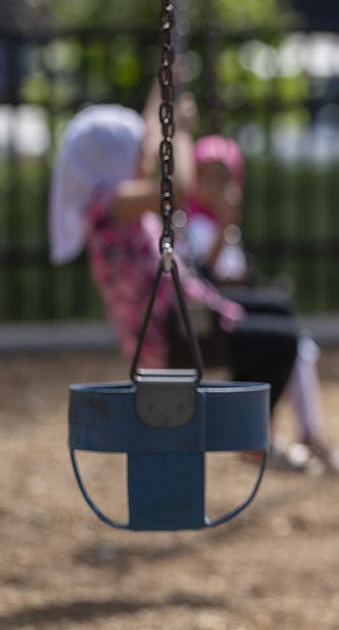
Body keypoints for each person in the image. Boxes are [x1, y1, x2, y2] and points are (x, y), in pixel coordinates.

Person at [48, 91, 296, 439]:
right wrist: (178, 129)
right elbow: (177, 189)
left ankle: (246, 430)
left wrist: (165, 88)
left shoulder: (113, 200)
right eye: (134, 150)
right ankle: (247, 436)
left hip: (181, 315)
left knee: (279, 310)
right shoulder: (109, 203)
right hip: (168, 334)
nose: (146, 155)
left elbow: (148, 140)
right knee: (283, 341)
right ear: (113, 158)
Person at [180, 133, 339, 475]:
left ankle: (301, 434)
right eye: (210, 177)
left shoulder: (219, 224)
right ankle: (268, 435)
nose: (218, 185)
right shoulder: (195, 223)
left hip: (227, 312)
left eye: (225, 177)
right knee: (288, 341)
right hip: (209, 322)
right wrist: (223, 223)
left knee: (298, 342)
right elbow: (204, 279)